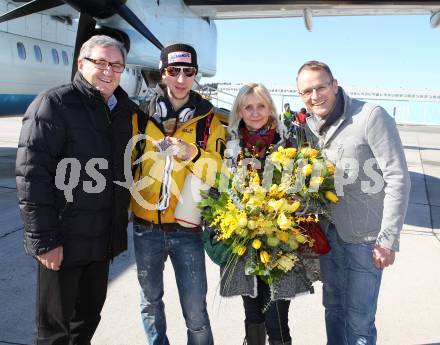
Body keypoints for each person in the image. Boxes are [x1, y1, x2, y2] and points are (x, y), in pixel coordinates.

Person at [15, 35, 137, 345]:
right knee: (54, 332)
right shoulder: (54, 104)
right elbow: (32, 177)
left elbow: (126, 166)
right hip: (63, 243)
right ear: (81, 63)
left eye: (116, 65)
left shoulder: (123, 111)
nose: (108, 71)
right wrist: (45, 241)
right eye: (100, 63)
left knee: (87, 321)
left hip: (100, 243)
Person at [296, 60, 411, 345]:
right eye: (306, 91)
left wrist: (388, 239)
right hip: (329, 236)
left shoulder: (370, 116)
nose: (315, 96)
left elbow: (398, 178)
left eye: (321, 87)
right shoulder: (309, 127)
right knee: (333, 311)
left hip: (366, 240)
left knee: (359, 321)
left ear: (334, 85)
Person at [131, 43, 226, 345]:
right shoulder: (140, 115)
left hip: (188, 231)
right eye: (174, 71)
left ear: (195, 75)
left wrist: (192, 153)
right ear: (163, 74)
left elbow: (222, 174)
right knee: (150, 303)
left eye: (188, 72)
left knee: (195, 311)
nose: (181, 79)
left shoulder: (210, 120)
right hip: (145, 229)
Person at [221, 83, 319, 345]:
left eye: (261, 106)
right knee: (252, 316)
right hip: (244, 242)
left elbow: (306, 187)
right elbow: (219, 190)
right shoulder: (230, 146)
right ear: (239, 110)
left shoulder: (288, 141)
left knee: (277, 318)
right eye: (248, 107)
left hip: (281, 242)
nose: (255, 113)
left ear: (271, 109)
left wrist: (290, 202)